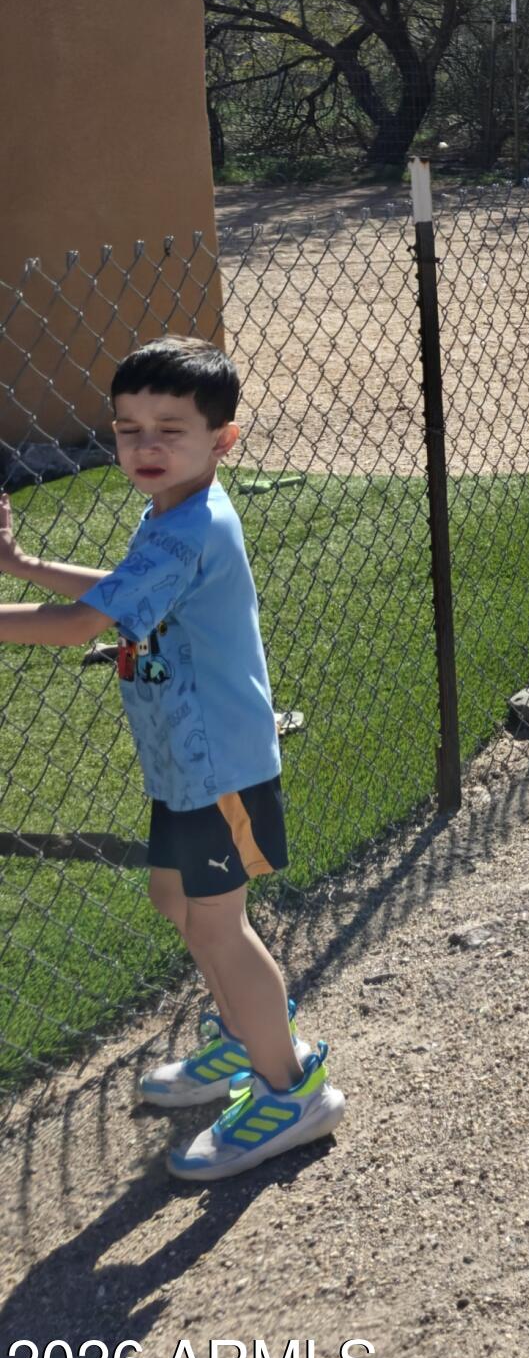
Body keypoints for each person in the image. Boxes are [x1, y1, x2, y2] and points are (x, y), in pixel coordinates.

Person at [0, 336, 344, 1180]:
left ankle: (291, 1089)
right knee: (176, 900)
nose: (144, 446)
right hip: (184, 764)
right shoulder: (169, 513)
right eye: (128, 429)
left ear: (223, 441)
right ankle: (245, 1037)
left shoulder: (191, 528)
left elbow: (85, 625)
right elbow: (121, 593)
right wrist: (22, 566)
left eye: (169, 430)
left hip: (220, 767)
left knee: (220, 928)